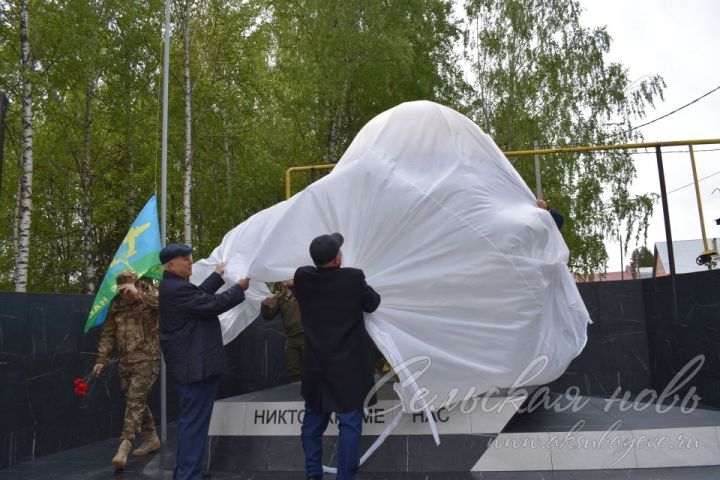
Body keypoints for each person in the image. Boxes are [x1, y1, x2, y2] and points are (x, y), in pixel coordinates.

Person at [293, 233, 381, 480]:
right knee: (350, 428)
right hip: (349, 369)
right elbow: (372, 303)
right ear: (337, 259)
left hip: (317, 368)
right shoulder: (353, 278)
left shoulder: (302, 277)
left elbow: (302, 279)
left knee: (312, 426)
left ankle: (312, 472)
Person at [158, 243, 250, 480]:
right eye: (185, 259)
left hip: (192, 368)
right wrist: (239, 289)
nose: (190, 261)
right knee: (194, 425)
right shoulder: (176, 290)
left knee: (192, 423)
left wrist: (217, 276)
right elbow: (211, 304)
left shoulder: (174, 286)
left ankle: (187, 471)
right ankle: (189, 475)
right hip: (194, 369)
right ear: (171, 265)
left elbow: (199, 295)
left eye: (190, 257)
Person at [94, 270, 161, 469]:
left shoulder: (149, 295)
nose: (125, 294)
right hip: (125, 361)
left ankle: (124, 446)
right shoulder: (117, 304)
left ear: (136, 284)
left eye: (127, 289)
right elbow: (108, 333)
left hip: (147, 359)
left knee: (135, 401)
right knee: (135, 401)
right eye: (121, 290)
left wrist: (138, 294)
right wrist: (101, 359)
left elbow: (163, 305)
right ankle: (151, 438)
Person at [261, 280, 304, 382]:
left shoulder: (303, 292)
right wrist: (265, 306)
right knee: (293, 368)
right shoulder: (280, 298)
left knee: (311, 366)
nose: (290, 278)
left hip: (305, 335)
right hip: (291, 337)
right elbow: (268, 315)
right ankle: (297, 393)